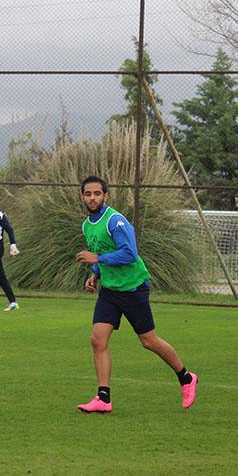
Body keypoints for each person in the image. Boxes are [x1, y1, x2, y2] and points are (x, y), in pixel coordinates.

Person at [74, 175, 198, 413]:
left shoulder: (115, 221)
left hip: (133, 288)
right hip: (110, 291)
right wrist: (95, 274)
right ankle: (103, 398)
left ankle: (186, 377)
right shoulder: (86, 225)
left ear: (105, 195)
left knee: (149, 341)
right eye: (88, 194)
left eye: (97, 193)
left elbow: (130, 253)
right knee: (98, 340)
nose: (92, 198)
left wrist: (97, 259)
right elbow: (101, 250)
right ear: (82, 197)